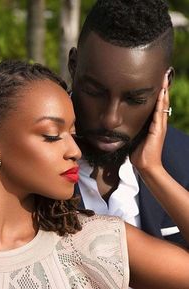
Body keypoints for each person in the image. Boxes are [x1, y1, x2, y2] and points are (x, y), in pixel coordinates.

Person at [0, 60, 189, 288]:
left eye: (73, 133)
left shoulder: (95, 242)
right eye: (52, 135)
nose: (75, 151)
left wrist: (152, 169)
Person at [68, 0, 189, 247]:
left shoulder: (183, 159)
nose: (111, 119)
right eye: (94, 91)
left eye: (135, 99)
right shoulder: (27, 154)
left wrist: (153, 172)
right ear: (73, 66)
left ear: (166, 83)